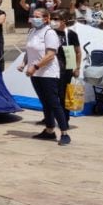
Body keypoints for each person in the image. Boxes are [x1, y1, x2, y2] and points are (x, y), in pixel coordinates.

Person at [19, 9, 71, 145]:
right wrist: (24, 64)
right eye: (33, 16)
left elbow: (50, 55)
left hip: (48, 73)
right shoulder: (32, 32)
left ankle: (64, 132)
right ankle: (49, 130)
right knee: (45, 102)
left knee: (54, 103)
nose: (34, 19)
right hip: (35, 74)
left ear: (46, 18)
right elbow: (29, 50)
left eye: (37, 17)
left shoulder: (50, 33)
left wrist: (35, 67)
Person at [50, 10, 82, 111]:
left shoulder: (71, 34)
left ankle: (64, 118)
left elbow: (78, 52)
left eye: (55, 19)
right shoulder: (50, 32)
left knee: (64, 94)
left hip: (66, 69)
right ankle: (50, 117)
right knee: (51, 94)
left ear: (64, 21)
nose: (52, 21)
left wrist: (77, 68)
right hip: (51, 68)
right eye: (52, 19)